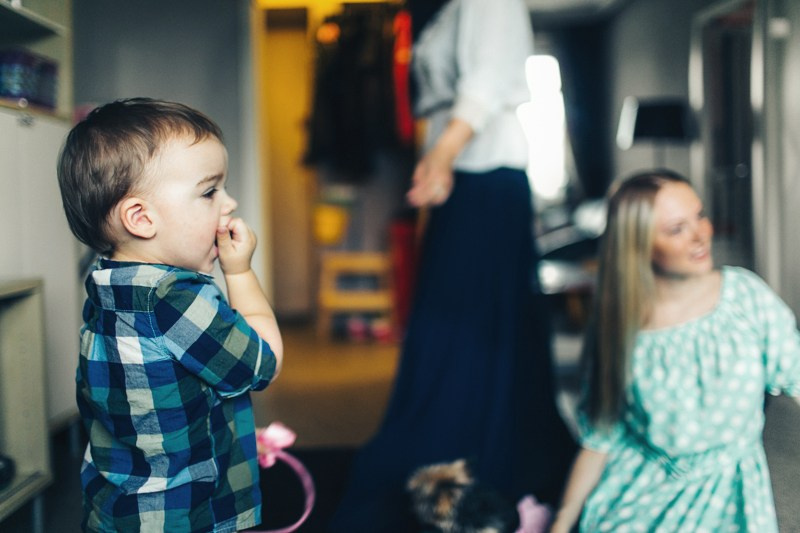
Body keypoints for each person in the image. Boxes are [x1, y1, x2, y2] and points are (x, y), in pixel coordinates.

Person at [329, 0, 576, 530]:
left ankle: (487, 455)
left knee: (470, 326)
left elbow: (485, 83)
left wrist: (440, 157)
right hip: (461, 176)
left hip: (483, 174)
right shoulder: (437, 13)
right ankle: (457, 452)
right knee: (451, 324)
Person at [57, 98, 284, 533]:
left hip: (118, 510)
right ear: (141, 218)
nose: (230, 202)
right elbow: (262, 363)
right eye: (210, 190)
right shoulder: (177, 299)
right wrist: (240, 272)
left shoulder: (105, 282)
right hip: (185, 514)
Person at [549, 170, 800, 532]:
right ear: (638, 246)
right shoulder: (619, 326)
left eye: (699, 215)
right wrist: (560, 524)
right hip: (639, 500)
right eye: (676, 229)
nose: (701, 235)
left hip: (731, 501)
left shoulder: (747, 299)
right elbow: (599, 440)